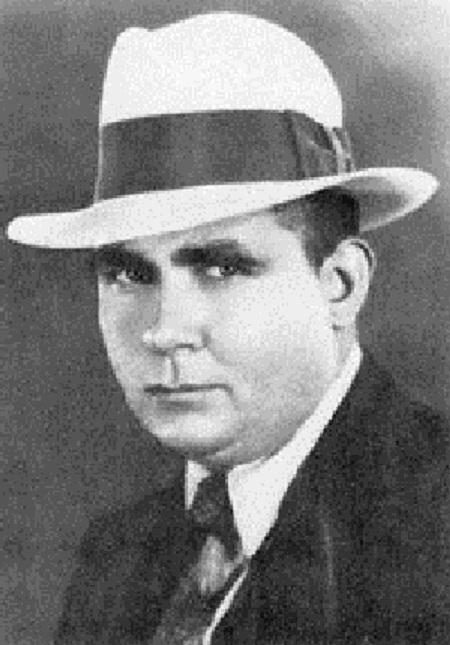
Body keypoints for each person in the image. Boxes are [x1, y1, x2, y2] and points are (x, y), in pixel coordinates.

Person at [7, 11, 449, 645]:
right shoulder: (118, 556)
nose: (164, 331)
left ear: (339, 284)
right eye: (129, 274)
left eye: (221, 267)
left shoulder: (433, 525)